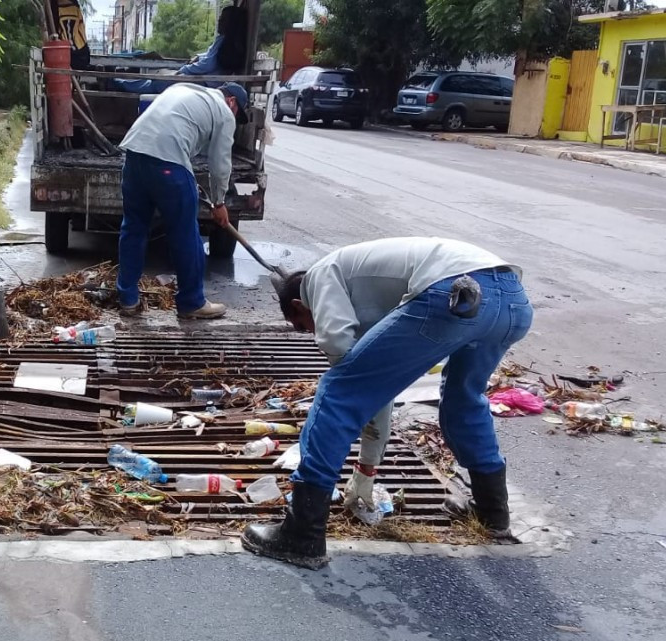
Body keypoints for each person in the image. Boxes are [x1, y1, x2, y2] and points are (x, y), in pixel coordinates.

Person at [243, 237, 533, 569]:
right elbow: (379, 387)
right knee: (464, 399)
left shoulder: (321, 275)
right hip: (511, 299)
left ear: (298, 306)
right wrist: (367, 467)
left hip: (450, 291)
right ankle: (493, 513)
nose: (310, 333)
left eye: (302, 327)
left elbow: (340, 351)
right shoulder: (364, 291)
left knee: (338, 392)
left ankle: (302, 534)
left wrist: (364, 456)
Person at [117, 82, 249, 320]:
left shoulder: (183, 89)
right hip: (168, 164)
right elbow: (219, 165)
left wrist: (182, 175)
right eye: (238, 112)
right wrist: (219, 203)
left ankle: (128, 299)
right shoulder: (224, 111)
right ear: (232, 102)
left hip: (134, 157)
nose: (235, 119)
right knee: (185, 234)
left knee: (133, 229)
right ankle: (192, 302)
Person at [113, 6, 247, 94]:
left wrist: (184, 70)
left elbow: (208, 64)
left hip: (204, 82)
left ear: (230, 23)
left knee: (158, 83)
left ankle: (116, 84)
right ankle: (119, 83)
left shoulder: (224, 41)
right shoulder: (231, 43)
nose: (219, 22)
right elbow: (209, 57)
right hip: (208, 82)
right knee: (157, 80)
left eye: (222, 20)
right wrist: (199, 56)